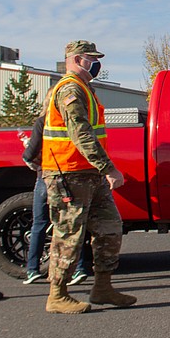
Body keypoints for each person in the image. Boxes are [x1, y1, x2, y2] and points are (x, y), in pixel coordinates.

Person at [41, 40, 136, 314]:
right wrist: (108, 168)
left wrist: (100, 169)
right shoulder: (70, 89)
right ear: (78, 59)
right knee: (69, 234)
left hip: (88, 173)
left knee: (109, 228)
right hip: (69, 174)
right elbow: (80, 133)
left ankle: (103, 288)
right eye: (91, 58)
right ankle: (57, 295)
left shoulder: (85, 89)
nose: (96, 64)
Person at [21, 111, 88, 287]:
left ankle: (32, 269)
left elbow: (29, 154)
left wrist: (32, 157)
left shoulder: (43, 122)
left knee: (39, 223)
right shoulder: (75, 120)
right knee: (72, 224)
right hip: (69, 176)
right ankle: (79, 268)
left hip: (45, 176)